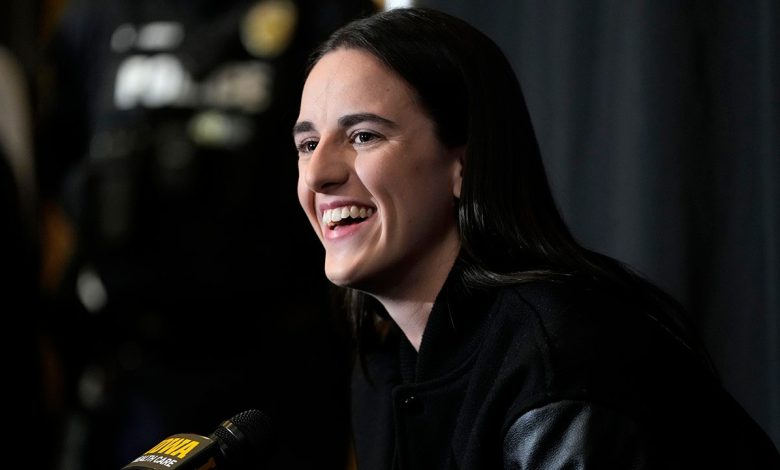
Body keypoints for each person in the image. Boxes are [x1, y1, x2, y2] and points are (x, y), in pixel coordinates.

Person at [292, 7, 780, 469]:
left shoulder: (558, 359)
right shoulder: (384, 365)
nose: (318, 174)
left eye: (364, 136)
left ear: (464, 162)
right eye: (308, 144)